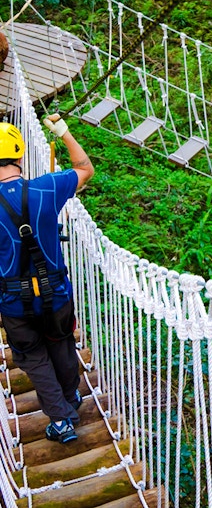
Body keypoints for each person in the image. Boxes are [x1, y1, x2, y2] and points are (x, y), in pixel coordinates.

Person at [0, 114, 94, 444]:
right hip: (56, 295)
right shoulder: (47, 187)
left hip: (14, 303)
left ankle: (62, 419)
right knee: (62, 344)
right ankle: (69, 400)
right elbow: (85, 168)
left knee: (33, 358)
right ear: (21, 156)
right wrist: (64, 132)